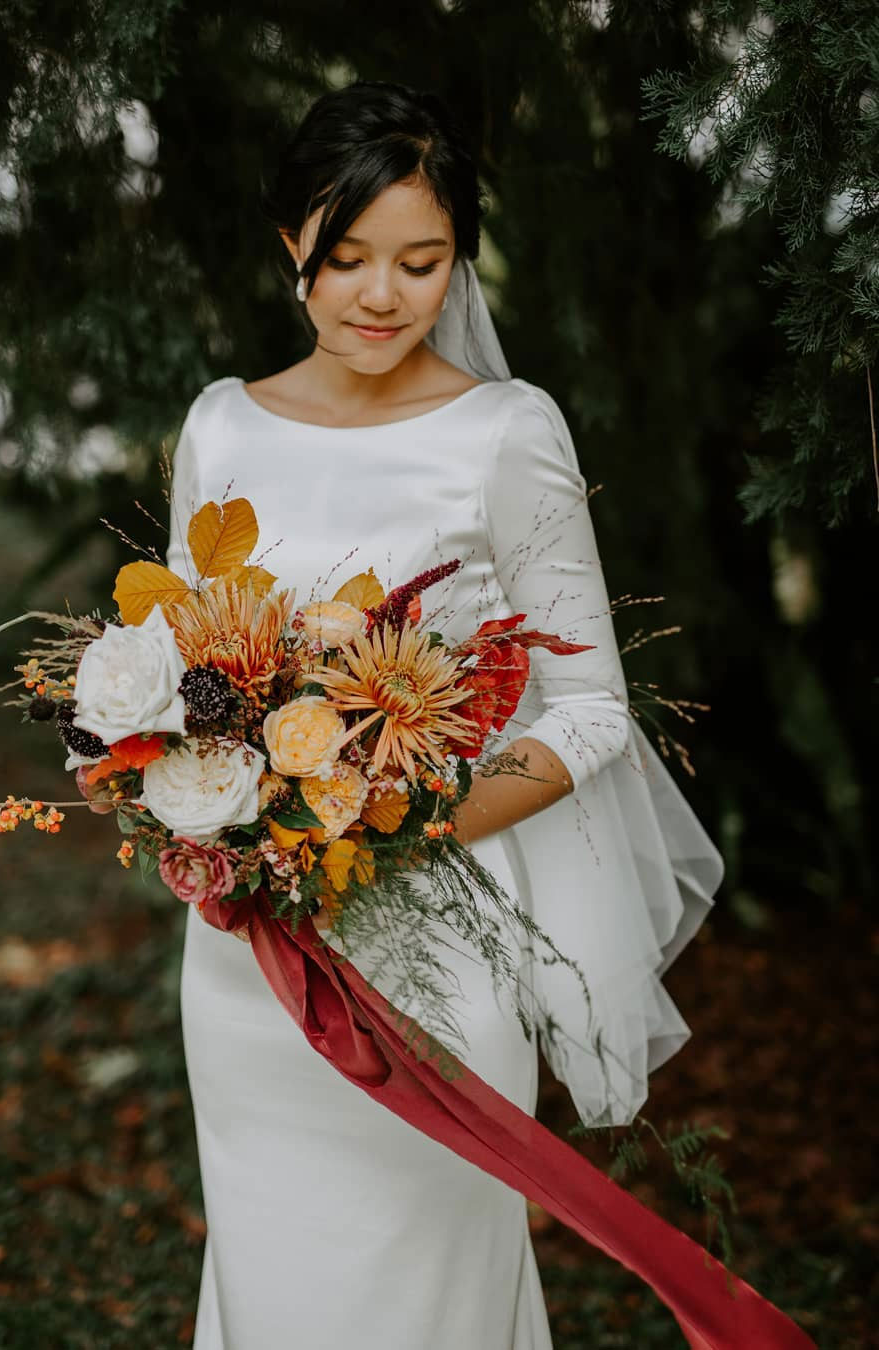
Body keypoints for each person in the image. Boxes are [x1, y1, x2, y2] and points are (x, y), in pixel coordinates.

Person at [156, 80, 724, 1350]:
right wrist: (181, 788)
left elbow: (589, 710)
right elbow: (188, 664)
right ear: (287, 244)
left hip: (439, 934)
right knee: (273, 1285)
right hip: (250, 958)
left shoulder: (506, 433)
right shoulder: (220, 425)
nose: (379, 295)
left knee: (426, 1295)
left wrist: (405, 822)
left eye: (422, 262)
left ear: (459, 262)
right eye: (346, 256)